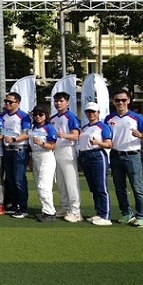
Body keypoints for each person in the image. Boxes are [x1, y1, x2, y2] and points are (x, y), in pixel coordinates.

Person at [105, 89, 143, 227]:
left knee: (137, 188)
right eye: (117, 100)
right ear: (113, 101)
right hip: (116, 155)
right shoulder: (109, 119)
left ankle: (141, 216)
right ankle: (126, 213)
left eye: (123, 100)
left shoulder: (136, 117)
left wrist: (140, 135)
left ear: (129, 101)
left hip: (132, 155)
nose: (121, 103)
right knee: (119, 188)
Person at [77, 102, 113, 226]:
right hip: (85, 156)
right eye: (88, 112)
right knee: (93, 187)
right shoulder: (85, 128)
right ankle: (99, 212)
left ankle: (106, 215)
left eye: (93, 112)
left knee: (101, 187)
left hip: (97, 155)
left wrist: (98, 143)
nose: (91, 114)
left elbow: (109, 144)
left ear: (98, 113)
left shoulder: (103, 127)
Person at [50, 92, 82, 223]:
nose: (58, 103)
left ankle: (76, 211)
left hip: (67, 150)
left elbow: (76, 135)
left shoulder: (71, 117)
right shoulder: (53, 118)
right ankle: (65, 207)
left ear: (67, 103)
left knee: (71, 181)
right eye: (56, 101)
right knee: (61, 181)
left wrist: (64, 135)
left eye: (61, 101)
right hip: (55, 151)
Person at [1, 92, 32, 218]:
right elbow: (0, 130)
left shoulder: (23, 116)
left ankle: (22, 207)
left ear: (18, 103)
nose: (7, 104)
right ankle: (14, 204)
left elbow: (27, 133)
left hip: (20, 150)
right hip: (7, 150)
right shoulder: (3, 115)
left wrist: (14, 139)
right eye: (6, 101)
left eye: (10, 102)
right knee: (10, 179)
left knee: (19, 179)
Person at [28, 105, 59, 222]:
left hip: (46, 156)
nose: (38, 117)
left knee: (44, 186)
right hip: (35, 155)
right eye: (35, 114)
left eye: (41, 114)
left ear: (46, 115)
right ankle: (45, 210)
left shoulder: (49, 128)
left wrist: (42, 143)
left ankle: (50, 212)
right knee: (38, 185)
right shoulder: (33, 128)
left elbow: (52, 145)